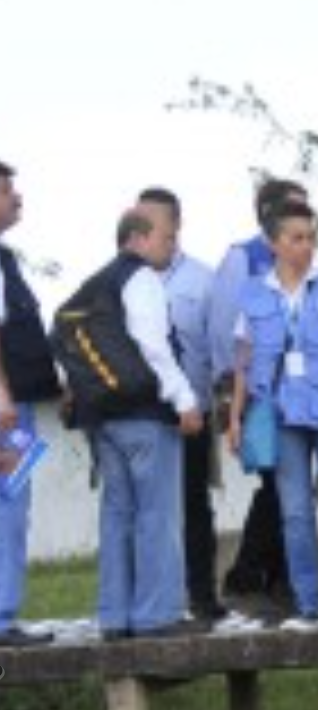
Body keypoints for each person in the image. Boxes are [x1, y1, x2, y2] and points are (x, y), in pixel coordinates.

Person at [225, 199, 318, 630]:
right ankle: (308, 603)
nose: (306, 246)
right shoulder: (253, 292)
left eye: (311, 237)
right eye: (296, 238)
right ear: (273, 243)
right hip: (281, 415)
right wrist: (236, 418)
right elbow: (243, 361)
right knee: (294, 511)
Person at [67, 204, 205, 639]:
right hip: (145, 415)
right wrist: (185, 398)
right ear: (139, 237)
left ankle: (114, 615)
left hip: (102, 419)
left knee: (117, 514)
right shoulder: (140, 278)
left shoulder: (92, 285)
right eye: (166, 237)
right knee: (157, 514)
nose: (172, 245)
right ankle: (156, 615)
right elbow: (153, 345)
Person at [209, 176, 307, 605]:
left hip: (305, 392)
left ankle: (269, 576)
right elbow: (223, 329)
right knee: (278, 481)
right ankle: (253, 574)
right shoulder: (242, 257)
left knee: (292, 482)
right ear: (267, 214)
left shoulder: (306, 261)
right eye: (292, 208)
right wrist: (234, 394)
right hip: (262, 392)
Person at [138, 186, 227, 622]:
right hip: (142, 415)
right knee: (149, 510)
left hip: (192, 412)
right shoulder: (127, 279)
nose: (145, 231)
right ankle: (157, 603)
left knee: (194, 505)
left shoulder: (204, 280)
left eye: (152, 223)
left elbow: (220, 349)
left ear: (175, 226)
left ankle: (203, 597)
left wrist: (220, 404)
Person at [0, 161, 61, 647]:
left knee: (13, 498)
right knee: (8, 504)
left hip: (15, 406)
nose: (17, 199)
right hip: (4, 409)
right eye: (7, 192)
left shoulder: (6, 259)